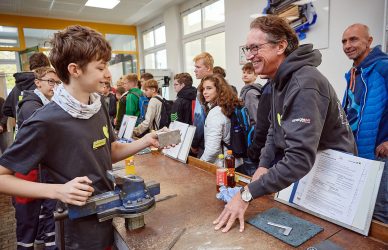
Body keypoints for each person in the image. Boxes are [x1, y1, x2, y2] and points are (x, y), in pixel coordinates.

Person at [0, 25, 162, 249]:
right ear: (75, 70)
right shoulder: (45, 121)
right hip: (75, 232)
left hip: (106, 217)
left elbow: (110, 151)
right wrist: (56, 190)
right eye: (101, 67)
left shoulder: (98, 106)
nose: (108, 74)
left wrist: (144, 141)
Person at [213, 15, 357, 233]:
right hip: (312, 168)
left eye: (255, 48)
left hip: (334, 175)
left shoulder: (304, 83)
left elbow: (299, 158)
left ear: (280, 46)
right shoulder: (278, 80)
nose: (249, 56)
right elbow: (274, 128)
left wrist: (246, 194)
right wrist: (263, 165)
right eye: (247, 49)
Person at [341, 23, 388, 223]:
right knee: (360, 211)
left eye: (354, 39)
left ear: (369, 41)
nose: (347, 45)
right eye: (344, 41)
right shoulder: (354, 72)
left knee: (379, 213)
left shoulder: (383, 67)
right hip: (357, 154)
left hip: (380, 156)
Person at [14, 66, 60, 249]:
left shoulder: (42, 102)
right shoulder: (31, 106)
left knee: (43, 214)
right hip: (30, 170)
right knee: (27, 221)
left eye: (57, 82)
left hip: (38, 167)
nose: (54, 86)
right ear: (37, 82)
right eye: (50, 82)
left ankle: (44, 242)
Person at [198, 74, 240, 163]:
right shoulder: (226, 106)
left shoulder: (216, 113)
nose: (204, 92)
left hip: (221, 164)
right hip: (234, 160)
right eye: (203, 89)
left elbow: (212, 150)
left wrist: (200, 163)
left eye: (209, 88)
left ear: (219, 89)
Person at [3, 52, 50, 119]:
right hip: (39, 126)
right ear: (47, 66)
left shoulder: (16, 87)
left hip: (21, 127)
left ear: (30, 65)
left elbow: (6, 109)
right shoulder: (43, 85)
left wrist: (19, 116)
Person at [191, 52, 214, 158]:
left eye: (198, 67)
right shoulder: (220, 84)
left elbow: (199, 118)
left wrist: (194, 143)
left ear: (208, 68)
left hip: (205, 143)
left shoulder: (202, 90)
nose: (195, 70)